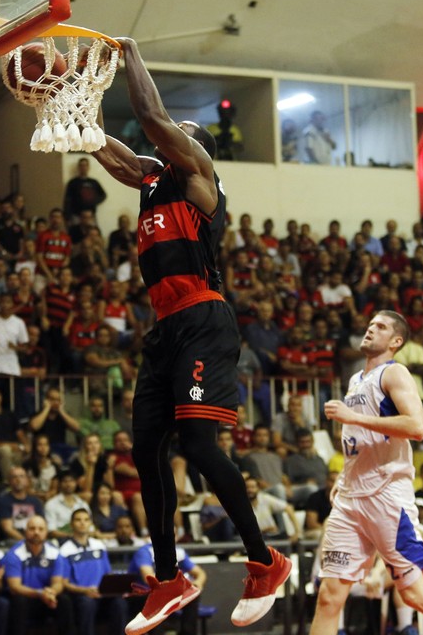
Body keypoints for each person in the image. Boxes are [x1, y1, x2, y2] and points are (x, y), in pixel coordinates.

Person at [90, 37, 290, 633]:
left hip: (205, 319)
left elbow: (150, 120)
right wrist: (70, 108)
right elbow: (120, 157)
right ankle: (169, 578)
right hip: (166, 329)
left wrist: (127, 54)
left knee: (201, 450)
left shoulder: (202, 179)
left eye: (182, 130)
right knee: (145, 453)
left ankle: (265, 561)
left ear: (191, 149)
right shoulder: (152, 182)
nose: (170, 132)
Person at [309, 311, 423, 635]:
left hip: (387, 496)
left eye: (381, 327)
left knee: (414, 594)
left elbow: (417, 426)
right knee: (329, 596)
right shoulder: (356, 380)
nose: (371, 329)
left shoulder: (395, 373)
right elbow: (361, 442)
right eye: (370, 324)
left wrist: (351, 417)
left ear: (396, 341)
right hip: (350, 499)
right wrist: (344, 478)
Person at [3, 515, 73, 635]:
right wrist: (40, 593)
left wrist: (51, 593)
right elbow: (15, 587)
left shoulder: (55, 553)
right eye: (32, 528)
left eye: (41, 529)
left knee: (64, 600)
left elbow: (58, 583)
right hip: (26, 598)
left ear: (46, 532)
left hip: (46, 599)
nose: (36, 532)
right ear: (25, 531)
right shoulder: (14, 554)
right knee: (19, 601)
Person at [60, 508, 126, 635]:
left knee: (120, 603)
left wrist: (116, 589)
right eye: (78, 520)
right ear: (72, 524)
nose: (82, 523)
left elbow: (108, 573)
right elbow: (64, 583)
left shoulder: (99, 545)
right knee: (87, 604)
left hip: (103, 593)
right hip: (82, 595)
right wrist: (85, 590)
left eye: (86, 520)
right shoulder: (64, 550)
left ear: (90, 523)